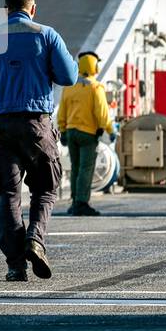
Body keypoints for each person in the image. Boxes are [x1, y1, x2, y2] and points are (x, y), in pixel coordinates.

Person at [0, 0, 78, 280]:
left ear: (6, 10)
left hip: (2, 126)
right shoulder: (47, 34)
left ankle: (16, 266)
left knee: (7, 195)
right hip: (37, 126)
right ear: (33, 8)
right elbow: (68, 76)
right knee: (45, 188)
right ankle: (35, 240)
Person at [57, 51, 114, 216]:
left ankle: (75, 201)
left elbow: (62, 111)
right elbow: (102, 113)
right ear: (94, 66)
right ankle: (82, 203)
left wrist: (63, 130)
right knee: (86, 168)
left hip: (71, 132)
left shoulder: (69, 87)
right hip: (87, 133)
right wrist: (110, 130)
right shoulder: (95, 87)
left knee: (75, 168)